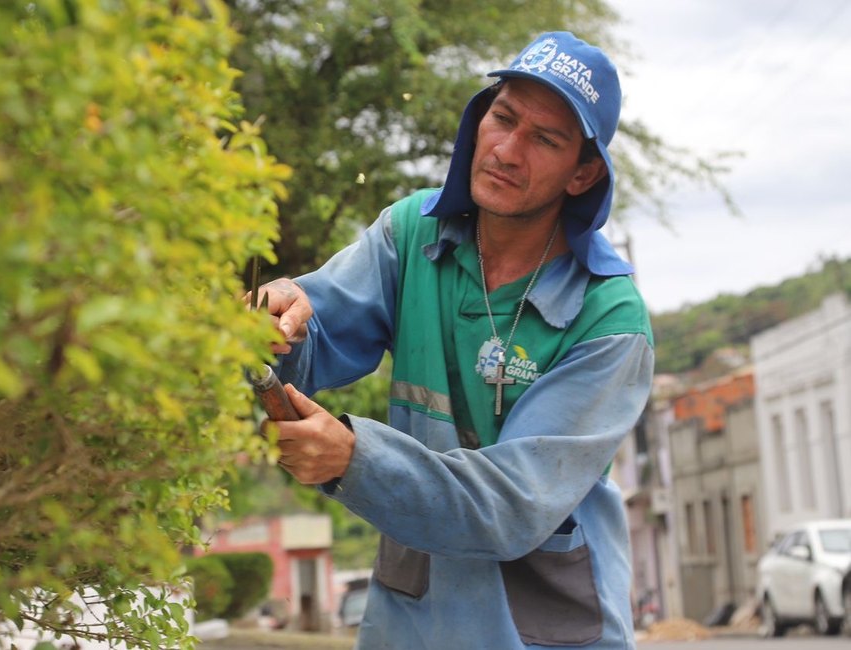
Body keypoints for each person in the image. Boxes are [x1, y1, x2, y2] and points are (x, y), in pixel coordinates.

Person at [257, 31, 654, 649]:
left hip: (543, 633)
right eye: (503, 117)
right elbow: (315, 332)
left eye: (544, 139)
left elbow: (514, 505)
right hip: (413, 624)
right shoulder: (414, 234)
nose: (508, 150)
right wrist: (277, 319)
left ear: (583, 174)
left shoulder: (610, 320)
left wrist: (353, 460)